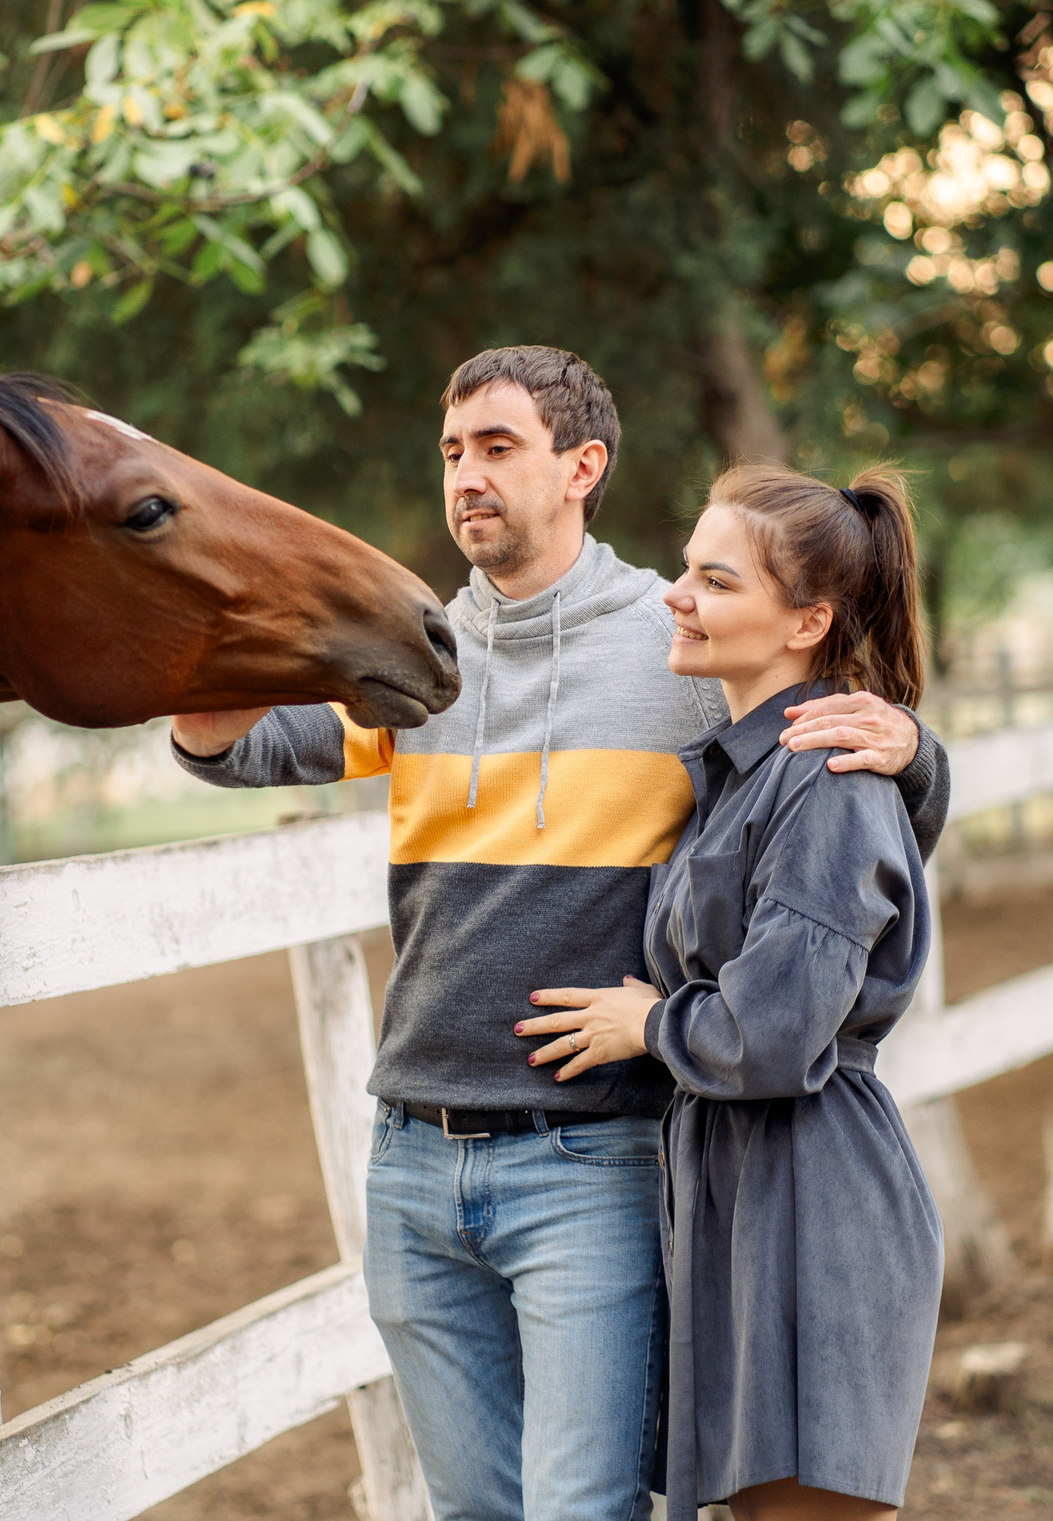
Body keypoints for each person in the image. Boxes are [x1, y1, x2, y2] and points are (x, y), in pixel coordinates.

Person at [169, 349, 949, 1521]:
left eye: (496, 448)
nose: (465, 478)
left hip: (589, 1156)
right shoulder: (412, 654)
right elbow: (242, 746)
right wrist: (190, 651)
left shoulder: (678, 641)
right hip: (414, 1151)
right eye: (450, 453)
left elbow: (825, 761)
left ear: (582, 466)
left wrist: (917, 748)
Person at [516, 462, 944, 1521]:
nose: (677, 593)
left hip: (813, 1199)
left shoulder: (826, 777)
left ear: (806, 621)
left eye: (714, 580)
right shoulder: (744, 769)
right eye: (684, 568)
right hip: (732, 1191)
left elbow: (776, 1030)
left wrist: (645, 1023)